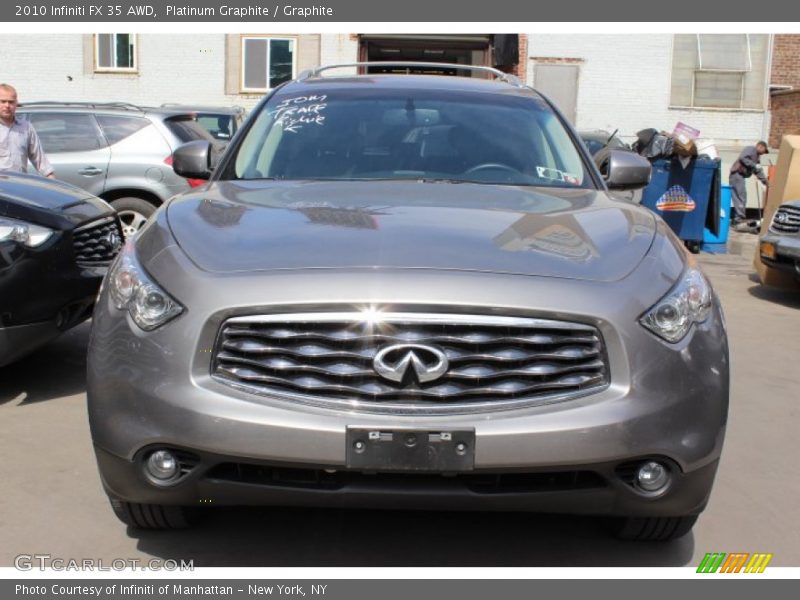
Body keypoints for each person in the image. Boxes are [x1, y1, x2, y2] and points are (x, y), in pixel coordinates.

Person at [0, 83, 55, 178]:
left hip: (19, 185)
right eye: (3, 101)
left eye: (11, 102)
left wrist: (52, 181)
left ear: (16, 104)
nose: (7, 105)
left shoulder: (26, 128)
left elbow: (40, 160)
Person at [729, 140, 769, 231]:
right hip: (737, 175)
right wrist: (754, 165)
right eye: (764, 151)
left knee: (741, 196)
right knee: (741, 196)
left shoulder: (757, 157)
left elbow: (758, 171)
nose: (763, 153)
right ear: (760, 146)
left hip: (740, 177)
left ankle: (737, 219)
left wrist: (765, 182)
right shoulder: (751, 149)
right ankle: (738, 220)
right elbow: (743, 158)